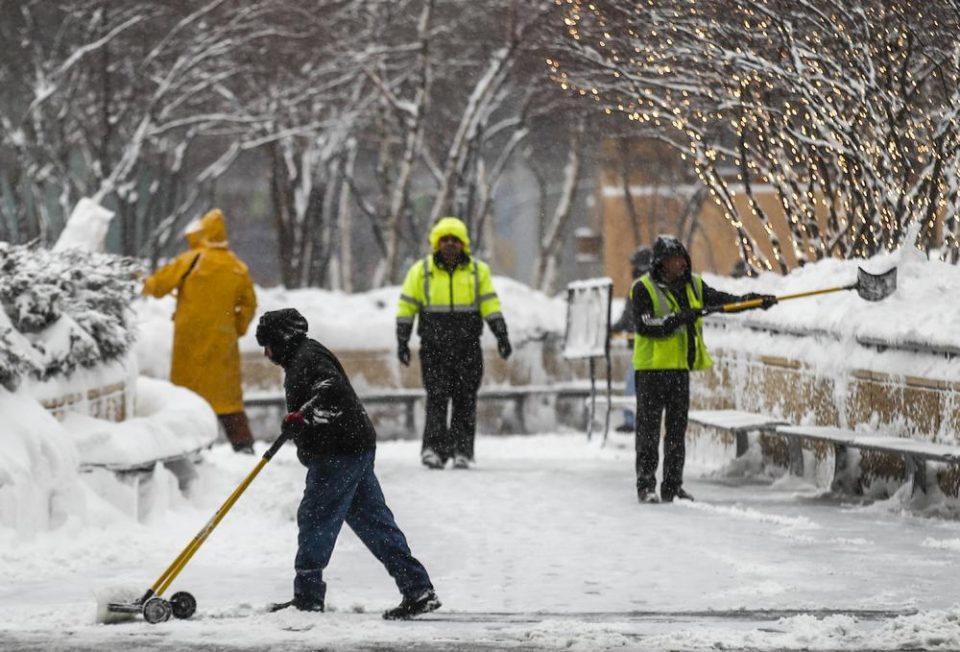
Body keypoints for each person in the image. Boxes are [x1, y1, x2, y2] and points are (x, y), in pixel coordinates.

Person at [255, 308, 440, 619]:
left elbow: (332, 390)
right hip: (354, 446)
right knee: (374, 522)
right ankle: (417, 588)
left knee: (316, 517)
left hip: (338, 453)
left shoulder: (307, 358)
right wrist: (303, 418)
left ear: (281, 340)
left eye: (268, 345)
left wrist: (305, 415)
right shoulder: (305, 355)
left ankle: (308, 596)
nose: (266, 353)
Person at [630, 235, 776, 504]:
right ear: (662, 263)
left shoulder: (694, 286)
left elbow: (724, 301)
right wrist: (676, 319)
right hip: (651, 372)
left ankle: (673, 487)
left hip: (679, 372)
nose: (681, 265)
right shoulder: (643, 288)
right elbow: (645, 325)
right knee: (649, 433)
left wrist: (753, 301)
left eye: (683, 259)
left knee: (676, 433)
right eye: (675, 260)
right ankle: (646, 486)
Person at [396, 217, 512, 470]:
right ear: (436, 244)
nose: (450, 245)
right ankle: (433, 450)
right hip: (434, 347)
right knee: (436, 398)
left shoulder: (477, 272)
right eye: (444, 240)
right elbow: (407, 306)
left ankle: (462, 450)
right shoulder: (421, 271)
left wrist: (501, 334)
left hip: (467, 346)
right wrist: (402, 340)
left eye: (455, 240)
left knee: (465, 398)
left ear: (464, 244)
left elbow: (490, 304)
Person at [142, 208, 257, 453]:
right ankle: (243, 446)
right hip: (222, 346)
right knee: (228, 401)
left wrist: (138, 279)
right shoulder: (237, 267)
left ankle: (190, 449)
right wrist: (235, 328)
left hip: (189, 345)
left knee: (187, 399)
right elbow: (249, 305)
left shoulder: (191, 260)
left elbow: (157, 287)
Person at [609, 246, 652, 432]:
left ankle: (633, 421)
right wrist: (613, 329)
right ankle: (633, 420)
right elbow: (628, 317)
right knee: (634, 384)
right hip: (640, 345)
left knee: (634, 385)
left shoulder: (646, 287)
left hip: (647, 346)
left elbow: (635, 317)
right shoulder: (639, 287)